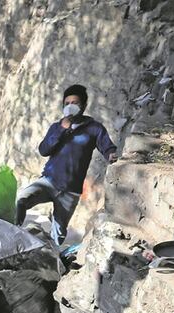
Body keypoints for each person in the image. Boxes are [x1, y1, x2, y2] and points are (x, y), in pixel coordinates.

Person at [16, 84, 117, 245]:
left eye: (75, 103)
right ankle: (14, 236)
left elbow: (107, 147)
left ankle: (50, 260)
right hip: (48, 182)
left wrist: (111, 154)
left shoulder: (94, 128)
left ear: (83, 106)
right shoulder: (56, 127)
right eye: (67, 103)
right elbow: (44, 150)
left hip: (70, 192)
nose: (70, 106)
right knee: (21, 200)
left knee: (58, 234)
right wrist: (61, 130)